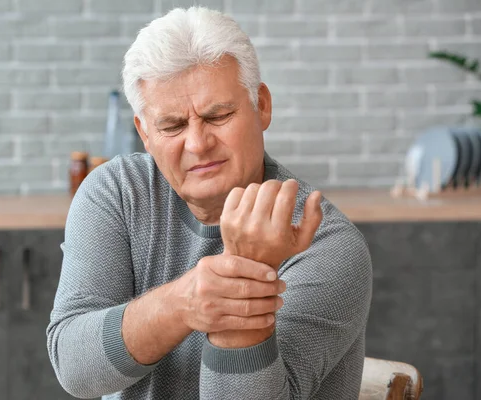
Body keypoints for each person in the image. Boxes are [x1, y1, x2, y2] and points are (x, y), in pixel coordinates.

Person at [46, 6, 372, 400]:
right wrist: (188, 301)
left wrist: (243, 278)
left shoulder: (326, 245)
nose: (198, 144)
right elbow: (76, 371)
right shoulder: (116, 193)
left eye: (218, 116)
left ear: (262, 106)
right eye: (172, 126)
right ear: (145, 134)